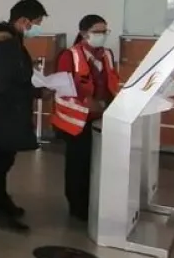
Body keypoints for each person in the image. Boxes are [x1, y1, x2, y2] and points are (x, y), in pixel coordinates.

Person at [0, 0, 49, 233]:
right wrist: (36, 92)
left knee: (3, 159)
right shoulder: (7, 46)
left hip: (6, 113)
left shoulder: (10, 42)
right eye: (36, 23)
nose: (37, 28)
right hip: (3, 114)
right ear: (22, 21)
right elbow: (4, 83)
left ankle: (3, 203)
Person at [51, 14, 121, 222]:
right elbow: (65, 87)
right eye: (98, 31)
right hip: (76, 120)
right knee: (78, 164)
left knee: (95, 163)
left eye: (105, 31)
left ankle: (92, 202)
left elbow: (111, 82)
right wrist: (87, 101)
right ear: (84, 33)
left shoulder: (106, 55)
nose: (102, 36)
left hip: (100, 117)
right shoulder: (69, 55)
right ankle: (77, 206)